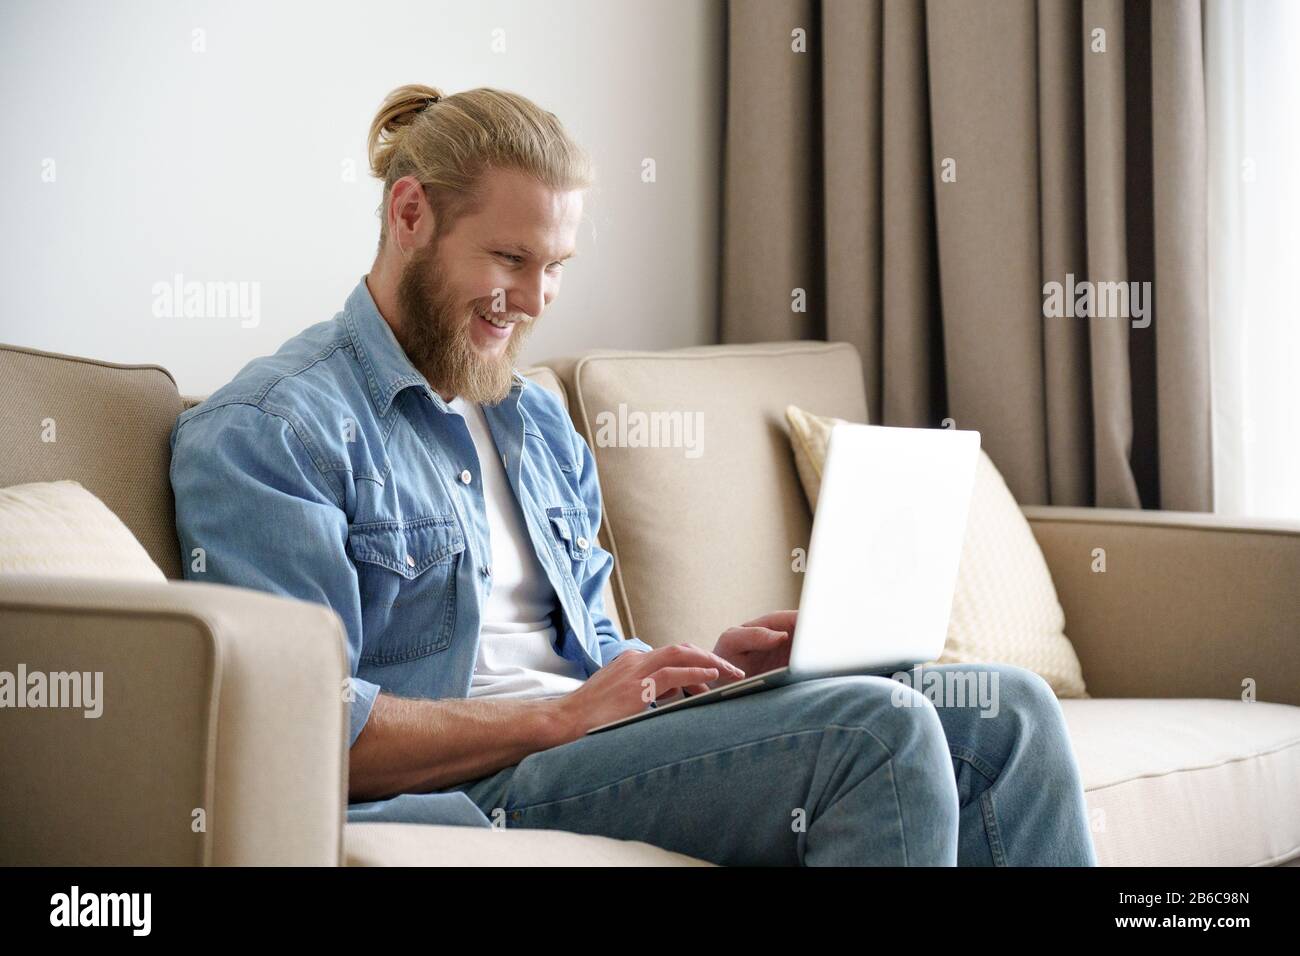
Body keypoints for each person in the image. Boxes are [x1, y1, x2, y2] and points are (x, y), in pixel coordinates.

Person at [169, 83, 1097, 865]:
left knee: (1005, 712)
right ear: (409, 213)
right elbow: (308, 728)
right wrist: (560, 719)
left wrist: (705, 676)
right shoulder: (271, 432)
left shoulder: (530, 416)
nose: (534, 301)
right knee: (872, 732)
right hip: (476, 784)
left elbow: (594, 648)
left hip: (585, 742)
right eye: (510, 258)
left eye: (556, 266)